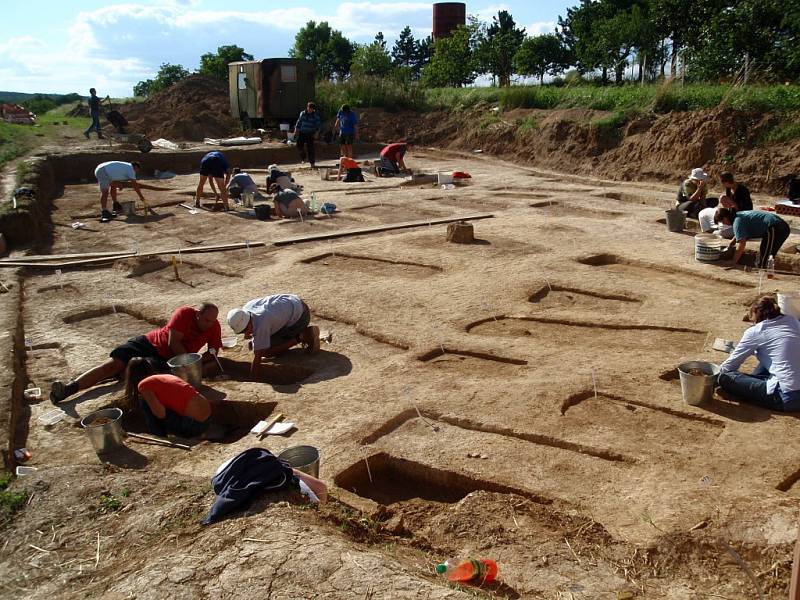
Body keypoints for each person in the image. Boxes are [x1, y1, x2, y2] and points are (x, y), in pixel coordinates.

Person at [50, 303, 223, 404]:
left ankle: (121, 374)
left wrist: (199, 362)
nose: (209, 324)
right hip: (149, 344)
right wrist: (188, 362)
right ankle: (68, 389)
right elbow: (173, 342)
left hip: (166, 361)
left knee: (138, 376)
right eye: (207, 320)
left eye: (213, 321)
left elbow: (213, 352)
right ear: (198, 314)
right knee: (112, 365)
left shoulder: (214, 326)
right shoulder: (184, 313)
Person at [718, 296, 800, 412]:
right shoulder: (793, 321)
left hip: (786, 397)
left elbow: (729, 366)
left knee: (726, 377)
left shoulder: (755, 332)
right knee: (775, 357)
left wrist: (713, 376)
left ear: (756, 312)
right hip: (792, 387)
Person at [226, 294, 320, 378]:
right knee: (256, 344)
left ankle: (302, 336)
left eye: (245, 330)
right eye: (242, 332)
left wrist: (253, 379)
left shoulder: (261, 322)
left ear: (248, 321)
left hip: (301, 317)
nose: (246, 334)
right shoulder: (247, 309)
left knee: (265, 352)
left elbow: (258, 358)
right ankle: (291, 338)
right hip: (295, 302)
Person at [124, 357, 213, 438]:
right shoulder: (166, 376)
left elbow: (160, 413)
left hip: (193, 426)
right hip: (207, 421)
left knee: (145, 402)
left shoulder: (144, 385)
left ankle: (159, 436)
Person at [714, 207, 791, 268]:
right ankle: (765, 271)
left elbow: (742, 243)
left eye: (723, 222)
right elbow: (741, 232)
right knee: (768, 254)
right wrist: (733, 241)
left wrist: (733, 261)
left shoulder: (737, 221)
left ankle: (763, 275)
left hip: (775, 227)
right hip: (780, 227)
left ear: (725, 218)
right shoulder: (738, 216)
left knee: (765, 256)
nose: (725, 224)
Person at [294, 101, 321, 168]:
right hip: (302, 132)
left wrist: (316, 133)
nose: (310, 110)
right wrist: (295, 130)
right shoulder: (302, 113)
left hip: (310, 133)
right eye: (309, 108)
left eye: (311, 109)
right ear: (307, 107)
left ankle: (312, 163)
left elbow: (318, 126)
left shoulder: (315, 116)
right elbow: (299, 122)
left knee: (310, 148)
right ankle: (303, 157)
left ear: (313, 109)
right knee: (299, 145)